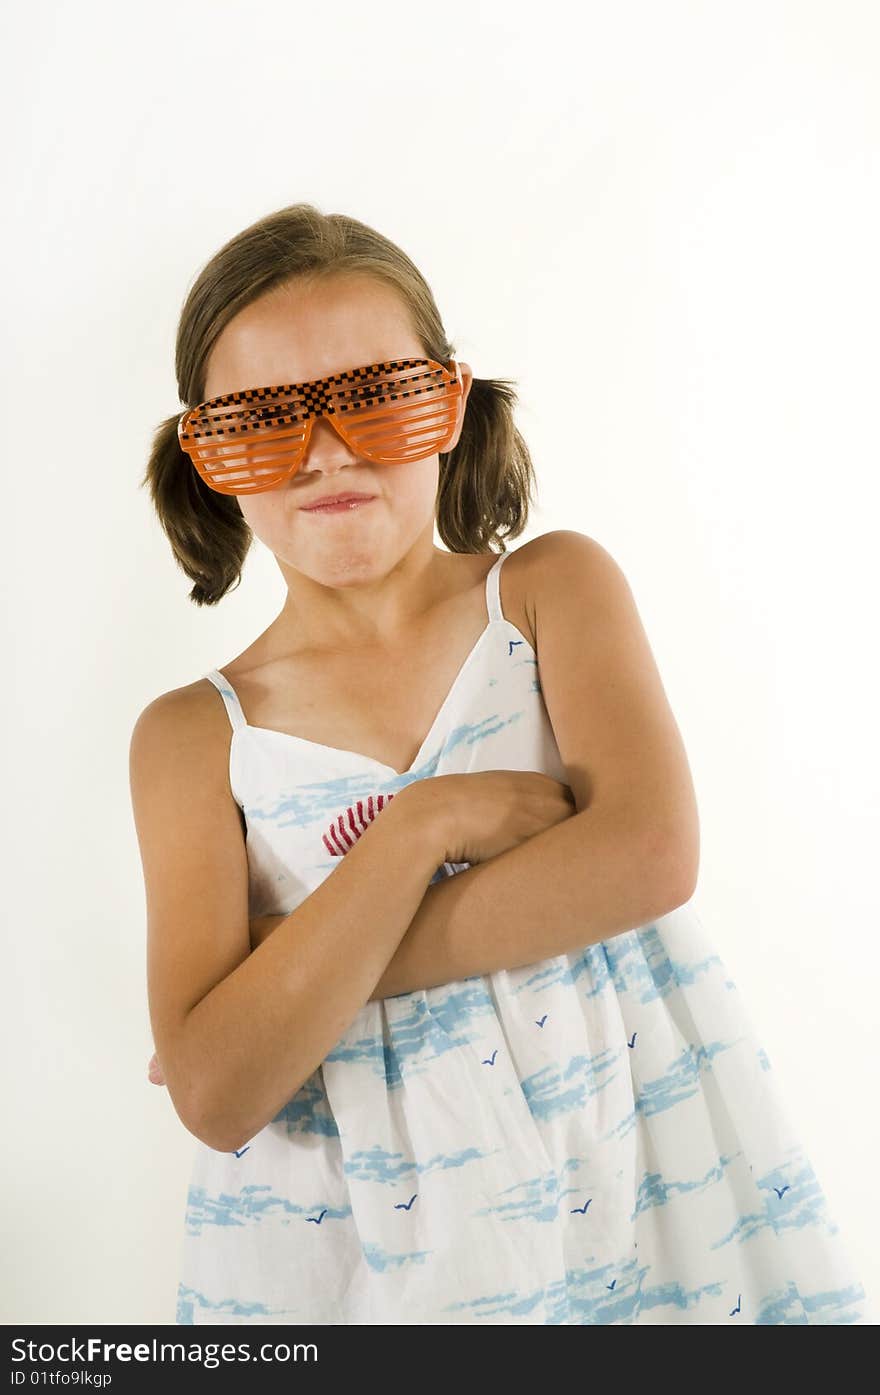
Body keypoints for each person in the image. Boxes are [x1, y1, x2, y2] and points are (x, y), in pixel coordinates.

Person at [129, 201, 872, 1326]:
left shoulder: (548, 591)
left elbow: (649, 856)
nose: (328, 451)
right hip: (352, 1262)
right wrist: (424, 827)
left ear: (448, 403)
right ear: (210, 453)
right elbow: (220, 1091)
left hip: (627, 1184)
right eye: (267, 420)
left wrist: (296, 977)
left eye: (375, 398)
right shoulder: (194, 736)